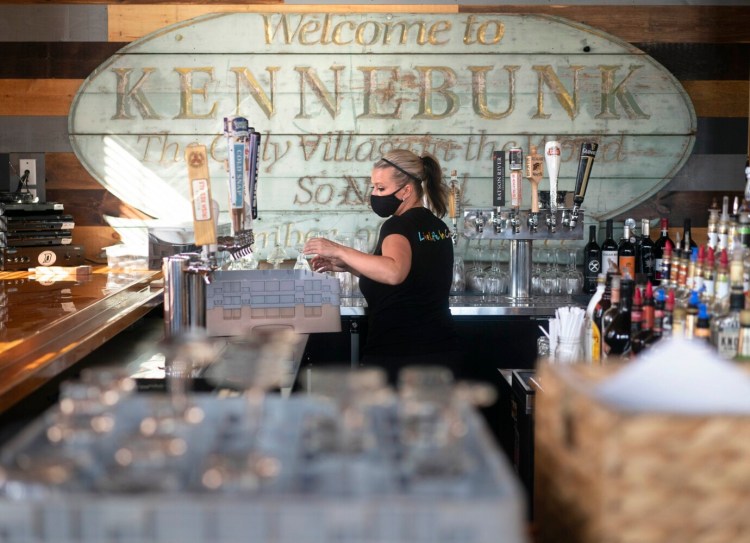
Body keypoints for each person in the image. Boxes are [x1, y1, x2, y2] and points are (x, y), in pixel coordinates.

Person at [303, 150, 461, 384]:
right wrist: (348, 265)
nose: (374, 195)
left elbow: (394, 272)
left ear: (406, 190)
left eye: (381, 188)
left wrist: (338, 250)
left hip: (399, 357)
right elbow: (411, 279)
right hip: (441, 353)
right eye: (373, 188)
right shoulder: (435, 225)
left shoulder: (397, 226)